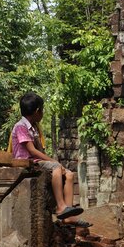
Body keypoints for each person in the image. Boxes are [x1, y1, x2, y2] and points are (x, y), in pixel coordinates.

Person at [10, 92, 90, 227]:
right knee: (57, 167)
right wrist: (54, 162)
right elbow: (32, 151)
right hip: (26, 161)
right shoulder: (20, 126)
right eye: (42, 110)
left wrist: (53, 161)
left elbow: (39, 150)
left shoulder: (34, 127)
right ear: (37, 111)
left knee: (69, 174)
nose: (43, 113)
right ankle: (60, 206)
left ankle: (68, 215)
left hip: (36, 160)